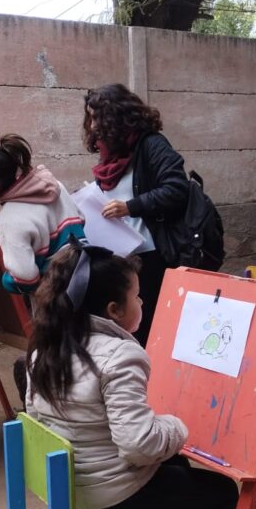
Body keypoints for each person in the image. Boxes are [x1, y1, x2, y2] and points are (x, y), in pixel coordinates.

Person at [25, 241, 239, 509]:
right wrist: (177, 428)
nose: (142, 302)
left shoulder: (44, 348)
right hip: (110, 505)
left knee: (174, 460)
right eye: (137, 296)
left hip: (69, 498)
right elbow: (139, 445)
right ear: (113, 311)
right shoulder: (120, 356)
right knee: (223, 491)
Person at [83, 83, 190, 347]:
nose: (92, 125)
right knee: (128, 327)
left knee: (149, 325)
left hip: (152, 257)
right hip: (121, 256)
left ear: (116, 115)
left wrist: (130, 206)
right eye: (89, 117)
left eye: (97, 117)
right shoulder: (112, 153)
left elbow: (177, 188)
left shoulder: (151, 144)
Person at [0, 133, 85, 295]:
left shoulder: (9, 219)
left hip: (59, 294)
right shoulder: (56, 186)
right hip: (86, 272)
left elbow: (26, 278)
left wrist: (5, 281)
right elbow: (81, 218)